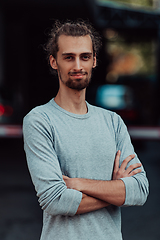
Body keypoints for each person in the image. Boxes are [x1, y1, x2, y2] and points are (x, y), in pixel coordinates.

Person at [23, 20, 149, 240]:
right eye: (69, 57)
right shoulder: (40, 120)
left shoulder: (113, 121)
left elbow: (139, 190)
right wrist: (116, 190)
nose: (78, 66)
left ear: (94, 61)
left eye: (85, 57)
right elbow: (54, 200)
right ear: (54, 62)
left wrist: (79, 184)